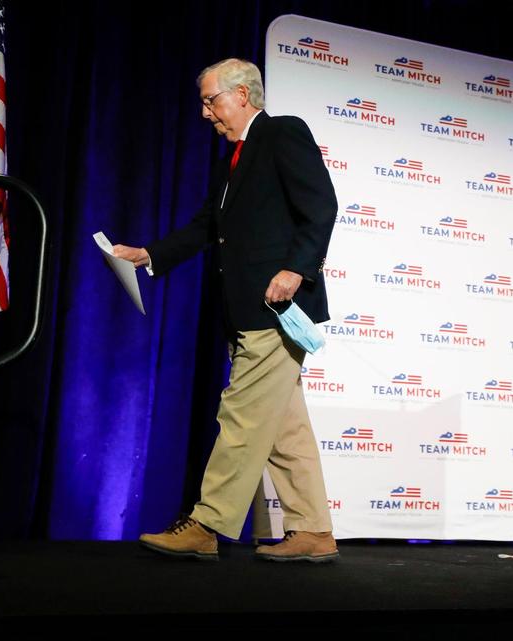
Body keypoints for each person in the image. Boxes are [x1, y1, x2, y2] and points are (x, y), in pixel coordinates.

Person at [113, 58, 338, 562]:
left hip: (274, 308)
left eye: (211, 99)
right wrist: (149, 254)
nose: (204, 112)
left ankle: (207, 524)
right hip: (243, 310)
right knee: (283, 428)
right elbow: (203, 227)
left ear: (243, 95)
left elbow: (321, 205)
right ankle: (314, 532)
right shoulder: (232, 160)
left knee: (240, 415)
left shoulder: (282, 133)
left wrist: (296, 269)